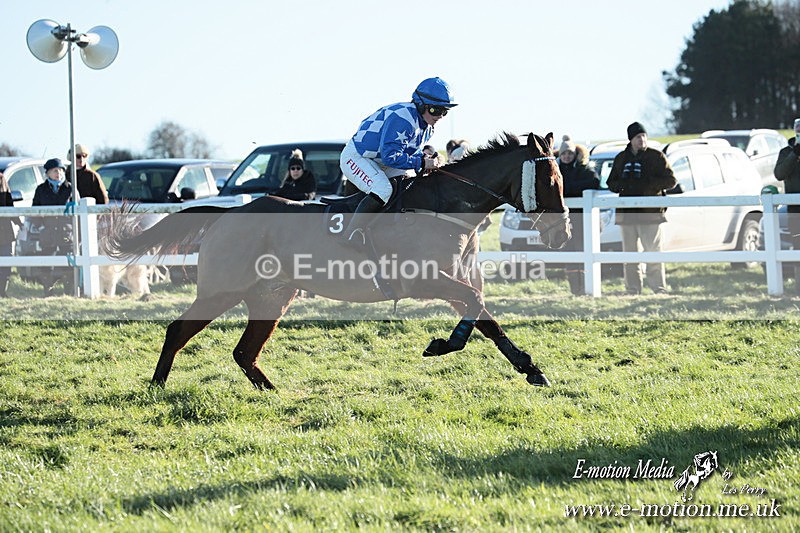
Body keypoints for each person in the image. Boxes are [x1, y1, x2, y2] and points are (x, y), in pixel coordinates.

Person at [339, 76, 456, 246]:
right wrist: (422, 163)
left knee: (411, 184)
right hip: (357, 157)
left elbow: (408, 155)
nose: (440, 116)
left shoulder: (427, 127)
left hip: (381, 161)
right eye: (435, 111)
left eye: (444, 111)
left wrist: (429, 160)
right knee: (383, 189)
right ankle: (351, 235)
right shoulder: (403, 119)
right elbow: (390, 156)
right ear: (421, 105)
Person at [607, 122, 677, 295]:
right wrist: (625, 185)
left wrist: (649, 185)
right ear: (631, 139)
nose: (642, 140)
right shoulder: (621, 158)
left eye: (644, 136)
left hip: (651, 214)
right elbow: (611, 183)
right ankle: (632, 289)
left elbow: (671, 181)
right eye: (638, 137)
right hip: (627, 214)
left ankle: (658, 288)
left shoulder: (657, 156)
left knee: (653, 252)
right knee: (629, 255)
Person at [557, 135, 600, 295]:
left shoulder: (584, 168)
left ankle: (586, 286)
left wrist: (568, 188)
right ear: (560, 155)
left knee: (583, 249)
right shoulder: (556, 170)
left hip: (583, 218)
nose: (567, 156)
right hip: (564, 219)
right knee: (568, 252)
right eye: (564, 154)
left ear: (575, 154)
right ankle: (575, 289)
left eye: (569, 153)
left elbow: (593, 182)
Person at [32, 158, 75, 296]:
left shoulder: (70, 189)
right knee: (46, 263)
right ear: (48, 173)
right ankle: (48, 290)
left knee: (68, 262)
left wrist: (75, 230)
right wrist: (40, 227)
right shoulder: (41, 190)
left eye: (61, 170)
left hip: (66, 232)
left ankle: (68, 291)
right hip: (48, 231)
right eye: (55, 171)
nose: (58, 173)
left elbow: (78, 211)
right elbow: (35, 210)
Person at [774, 117, 800, 292]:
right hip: (795, 210)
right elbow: (779, 174)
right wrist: (795, 154)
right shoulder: (786, 152)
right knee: (798, 247)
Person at [0, 171, 21, 297]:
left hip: (4, 230)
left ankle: (2, 291)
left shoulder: (1, 179)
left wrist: (18, 221)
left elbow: (9, 203)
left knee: (6, 263)